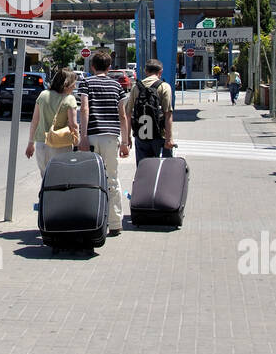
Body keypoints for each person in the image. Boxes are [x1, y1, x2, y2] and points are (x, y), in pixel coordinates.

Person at [76, 51, 129, 236]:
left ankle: (91, 219)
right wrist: (125, 141)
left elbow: (84, 108)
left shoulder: (86, 83)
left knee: (89, 179)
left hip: (91, 136)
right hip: (111, 137)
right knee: (112, 179)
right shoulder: (116, 86)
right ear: (109, 67)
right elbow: (122, 114)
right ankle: (115, 223)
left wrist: (82, 137)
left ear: (92, 67)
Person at [24, 68, 80, 175]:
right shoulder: (70, 99)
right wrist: (78, 143)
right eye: (73, 83)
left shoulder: (43, 95)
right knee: (60, 178)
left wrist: (31, 143)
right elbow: (73, 125)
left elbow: (34, 121)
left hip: (41, 144)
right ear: (66, 84)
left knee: (45, 178)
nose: (75, 87)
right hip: (61, 145)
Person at [126, 58, 175, 161]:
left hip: (141, 135)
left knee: (143, 168)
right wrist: (169, 138)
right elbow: (168, 114)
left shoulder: (136, 87)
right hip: (160, 135)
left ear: (146, 71)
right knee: (163, 168)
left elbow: (128, 113)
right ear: (160, 72)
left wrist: (128, 137)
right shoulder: (164, 87)